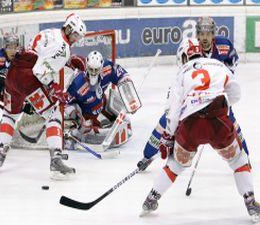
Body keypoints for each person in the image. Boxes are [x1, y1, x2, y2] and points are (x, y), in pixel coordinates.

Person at [140, 38, 260, 223]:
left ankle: (151, 198)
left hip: (190, 125)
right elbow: (235, 93)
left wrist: (167, 138)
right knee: (238, 160)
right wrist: (216, 105)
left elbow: (172, 111)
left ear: (183, 55)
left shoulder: (182, 74)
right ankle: (251, 202)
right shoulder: (219, 65)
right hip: (218, 120)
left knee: (175, 165)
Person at [137, 16, 245, 171]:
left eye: (208, 34)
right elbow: (183, 72)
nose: (205, 38)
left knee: (232, 121)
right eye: (202, 34)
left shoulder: (224, 46)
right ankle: (147, 156)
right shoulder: (190, 47)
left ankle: (244, 157)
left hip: (216, 95)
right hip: (193, 97)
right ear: (197, 34)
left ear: (213, 34)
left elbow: (233, 63)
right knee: (168, 118)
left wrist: (222, 82)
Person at [0, 13, 86, 180]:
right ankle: (56, 161)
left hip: (13, 73)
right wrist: (54, 88)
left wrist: (67, 62)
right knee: (53, 114)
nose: (76, 39)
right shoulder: (64, 48)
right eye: (75, 34)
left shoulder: (52, 31)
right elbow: (39, 71)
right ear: (68, 29)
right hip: (29, 78)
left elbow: (41, 53)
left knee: (10, 115)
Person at [64, 51, 140, 149]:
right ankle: (75, 135)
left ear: (101, 67)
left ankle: (105, 120)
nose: (94, 72)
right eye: (91, 69)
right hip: (86, 116)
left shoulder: (107, 68)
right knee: (84, 128)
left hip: (100, 104)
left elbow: (122, 75)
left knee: (116, 104)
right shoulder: (77, 83)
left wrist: (130, 97)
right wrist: (77, 118)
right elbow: (65, 104)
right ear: (86, 66)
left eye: (96, 69)